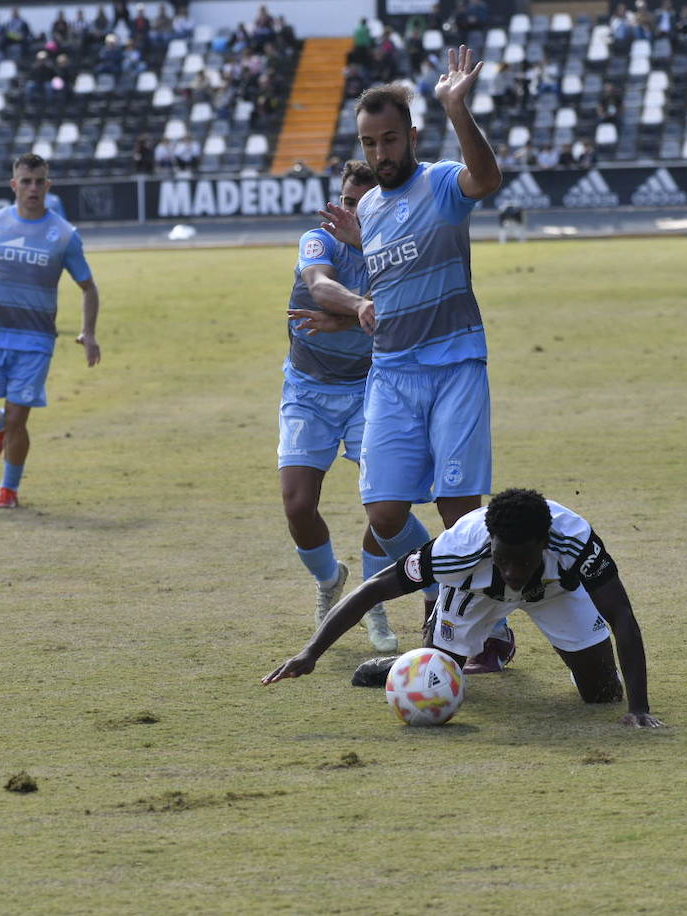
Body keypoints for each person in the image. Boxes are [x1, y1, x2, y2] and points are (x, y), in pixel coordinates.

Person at [315, 57, 511, 674]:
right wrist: (350, 294)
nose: (380, 151)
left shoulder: (443, 183)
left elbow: (487, 178)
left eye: (390, 139)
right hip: (392, 375)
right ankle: (443, 588)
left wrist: (457, 107)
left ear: (412, 137)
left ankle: (487, 631)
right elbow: (390, 295)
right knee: (385, 514)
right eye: (370, 142)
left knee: (460, 509)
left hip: (454, 365)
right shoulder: (368, 210)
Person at [262, 488, 664, 729]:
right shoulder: (456, 550)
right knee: (431, 678)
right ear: (490, 541)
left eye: (522, 562)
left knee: (604, 695)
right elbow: (372, 591)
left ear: (545, 543)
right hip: (474, 594)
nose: (511, 572)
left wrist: (640, 709)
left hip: (555, 591)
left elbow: (622, 618)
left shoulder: (574, 541)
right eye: (503, 560)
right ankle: (408, 661)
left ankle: (520, 646)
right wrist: (311, 652)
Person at [281, 161, 396, 653]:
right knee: (298, 505)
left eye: (362, 205)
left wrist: (342, 321)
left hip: (370, 388)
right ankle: (330, 579)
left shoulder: (391, 247)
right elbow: (318, 285)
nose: (349, 212)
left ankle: (371, 601)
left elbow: (398, 305)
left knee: (387, 502)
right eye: (346, 201)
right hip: (306, 388)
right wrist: (355, 311)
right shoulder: (318, 239)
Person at [0, 153, 101, 509]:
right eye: (26, 181)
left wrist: (88, 332)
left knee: (20, 419)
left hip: (35, 341)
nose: (33, 188)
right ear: (14, 185)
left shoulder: (64, 235)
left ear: (48, 186)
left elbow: (88, 287)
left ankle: (8, 491)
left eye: (40, 181)